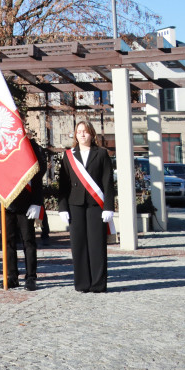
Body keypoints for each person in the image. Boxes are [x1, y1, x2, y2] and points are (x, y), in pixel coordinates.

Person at [57, 120, 115, 293]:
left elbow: (108, 182)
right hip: (75, 205)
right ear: (76, 134)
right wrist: (62, 208)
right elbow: (63, 184)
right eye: (79, 131)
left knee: (97, 245)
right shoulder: (69, 155)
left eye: (85, 131)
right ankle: (82, 283)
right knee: (78, 245)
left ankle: (98, 284)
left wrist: (108, 207)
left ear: (92, 134)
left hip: (96, 205)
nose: (82, 134)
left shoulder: (101, 154)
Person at [1, 134, 46, 290]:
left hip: (27, 202)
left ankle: (31, 277)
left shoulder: (32, 147)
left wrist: (37, 202)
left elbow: (39, 176)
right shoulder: (3, 145)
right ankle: (12, 276)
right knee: (8, 242)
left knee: (28, 241)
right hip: (7, 201)